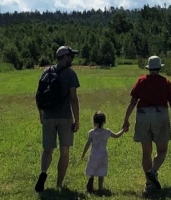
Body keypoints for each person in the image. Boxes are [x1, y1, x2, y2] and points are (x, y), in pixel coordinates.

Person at [122, 55, 171, 192]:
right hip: (160, 114)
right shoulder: (165, 82)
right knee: (162, 150)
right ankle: (153, 171)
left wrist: (126, 119)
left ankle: (149, 184)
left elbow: (133, 102)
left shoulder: (141, 81)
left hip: (143, 115)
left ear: (149, 68)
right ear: (160, 68)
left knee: (146, 153)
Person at [34, 46, 81, 192]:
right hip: (64, 117)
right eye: (71, 57)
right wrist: (77, 120)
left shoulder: (46, 72)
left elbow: (38, 95)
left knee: (47, 150)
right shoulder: (70, 74)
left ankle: (43, 173)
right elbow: (73, 99)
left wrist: (41, 114)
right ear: (65, 57)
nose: (72, 59)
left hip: (48, 116)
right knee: (64, 150)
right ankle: (59, 184)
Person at [80, 111, 125, 192]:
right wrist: (123, 129)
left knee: (92, 170)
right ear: (104, 121)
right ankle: (100, 188)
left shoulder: (92, 133)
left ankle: (91, 180)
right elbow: (117, 135)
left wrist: (83, 154)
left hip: (93, 155)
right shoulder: (107, 132)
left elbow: (87, 144)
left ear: (94, 122)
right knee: (101, 172)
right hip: (103, 155)